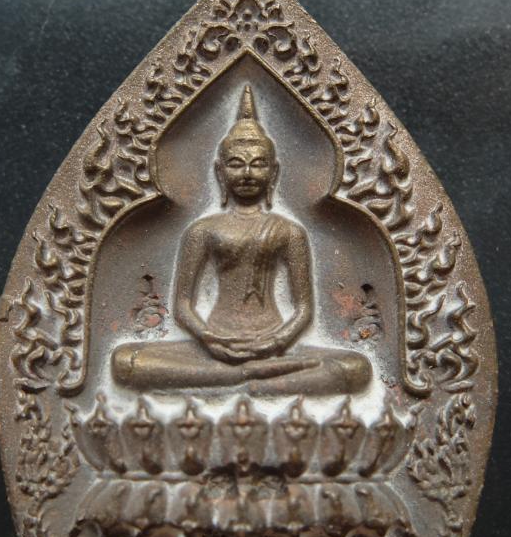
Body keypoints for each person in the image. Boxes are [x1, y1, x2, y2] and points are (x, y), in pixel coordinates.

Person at [112, 85, 371, 395]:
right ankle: (255, 380)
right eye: (236, 163)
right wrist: (208, 339)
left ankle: (237, 379)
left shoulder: (289, 231)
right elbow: (182, 305)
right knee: (124, 362)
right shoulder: (202, 230)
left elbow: (304, 309)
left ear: (273, 172)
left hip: (275, 346)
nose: (247, 173)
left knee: (356, 368)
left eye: (258, 164)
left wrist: (276, 342)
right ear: (220, 172)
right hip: (215, 344)